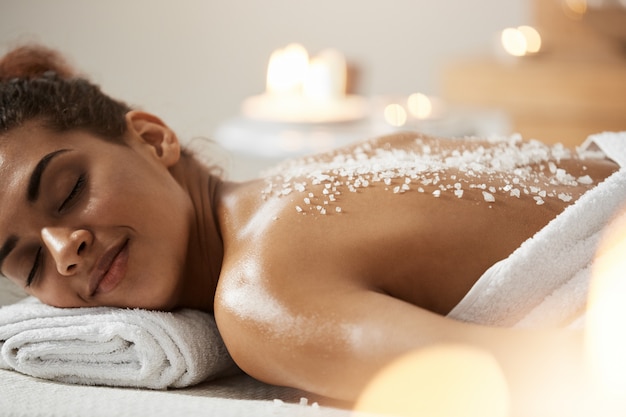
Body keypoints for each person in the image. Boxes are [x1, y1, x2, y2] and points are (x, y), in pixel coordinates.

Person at [0, 44, 620, 416]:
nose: (65, 250)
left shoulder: (257, 297)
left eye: (69, 191)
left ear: (154, 138)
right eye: (28, 265)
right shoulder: (325, 166)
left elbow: (553, 386)